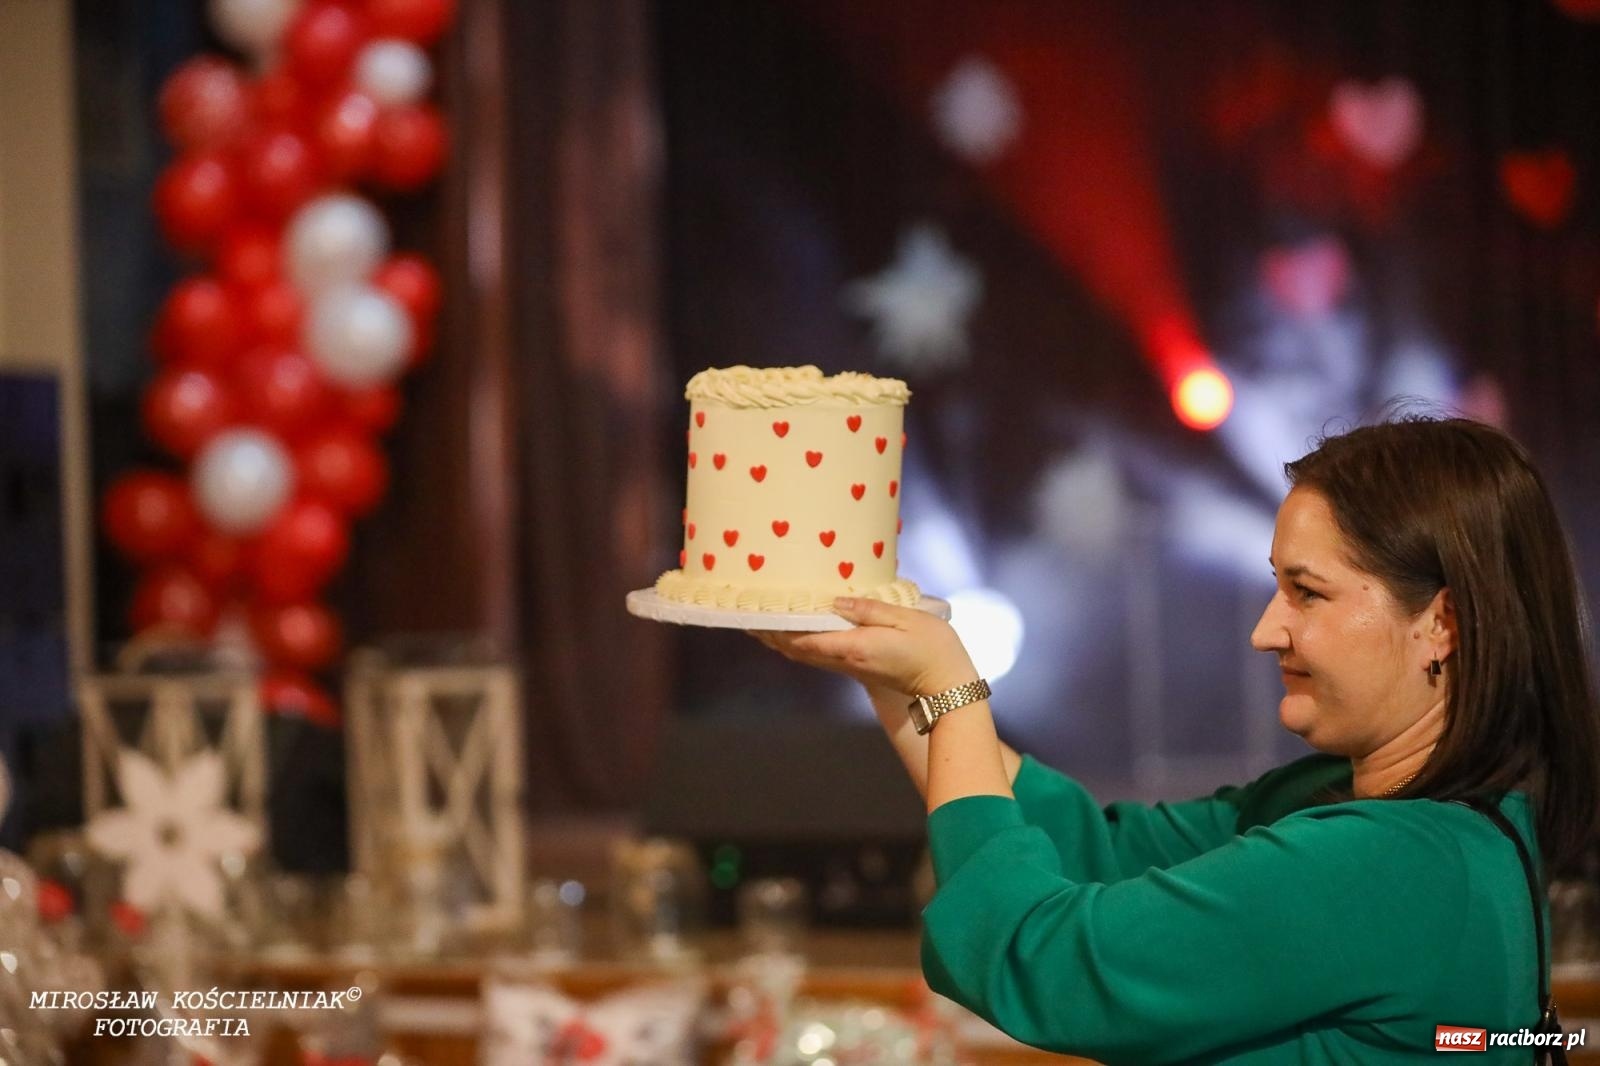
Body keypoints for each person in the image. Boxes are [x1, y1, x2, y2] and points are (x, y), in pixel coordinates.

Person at [752, 416, 1600, 1064]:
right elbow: (1095, 851)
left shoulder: (1395, 866)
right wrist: (900, 684)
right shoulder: (1381, 817)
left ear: (1441, 625)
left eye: (1308, 593)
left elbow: (1042, 962)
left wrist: (955, 689)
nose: (1268, 630)